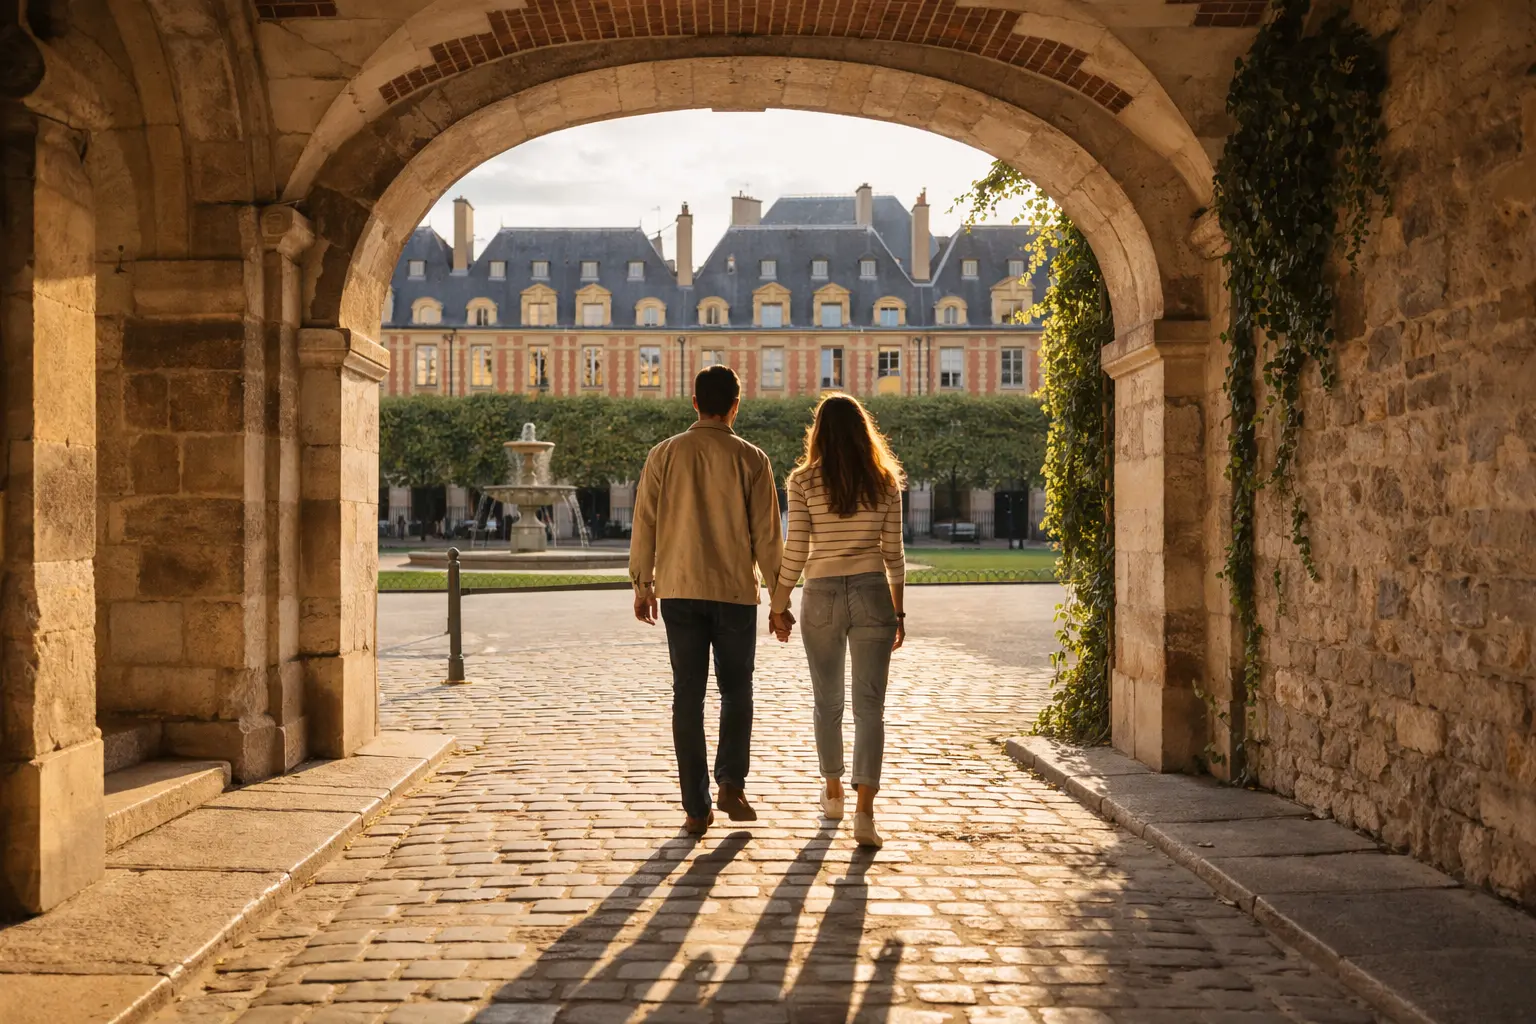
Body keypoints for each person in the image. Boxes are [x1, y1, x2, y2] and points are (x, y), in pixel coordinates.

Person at [630, 365, 784, 834]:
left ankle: (696, 808)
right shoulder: (753, 459)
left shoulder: (664, 454)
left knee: (687, 697)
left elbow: (646, 523)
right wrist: (779, 601)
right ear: (736, 405)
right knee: (738, 691)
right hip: (735, 592)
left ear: (694, 402)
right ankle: (731, 782)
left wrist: (643, 584)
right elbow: (768, 537)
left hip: (679, 589)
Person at [769, 394, 905, 849]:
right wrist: (898, 611)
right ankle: (865, 814)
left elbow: (796, 551)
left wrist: (778, 603)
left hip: (822, 594)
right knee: (871, 709)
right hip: (871, 593)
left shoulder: (803, 481)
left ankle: (832, 791)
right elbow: (894, 557)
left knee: (827, 703)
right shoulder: (885, 481)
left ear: (819, 432)